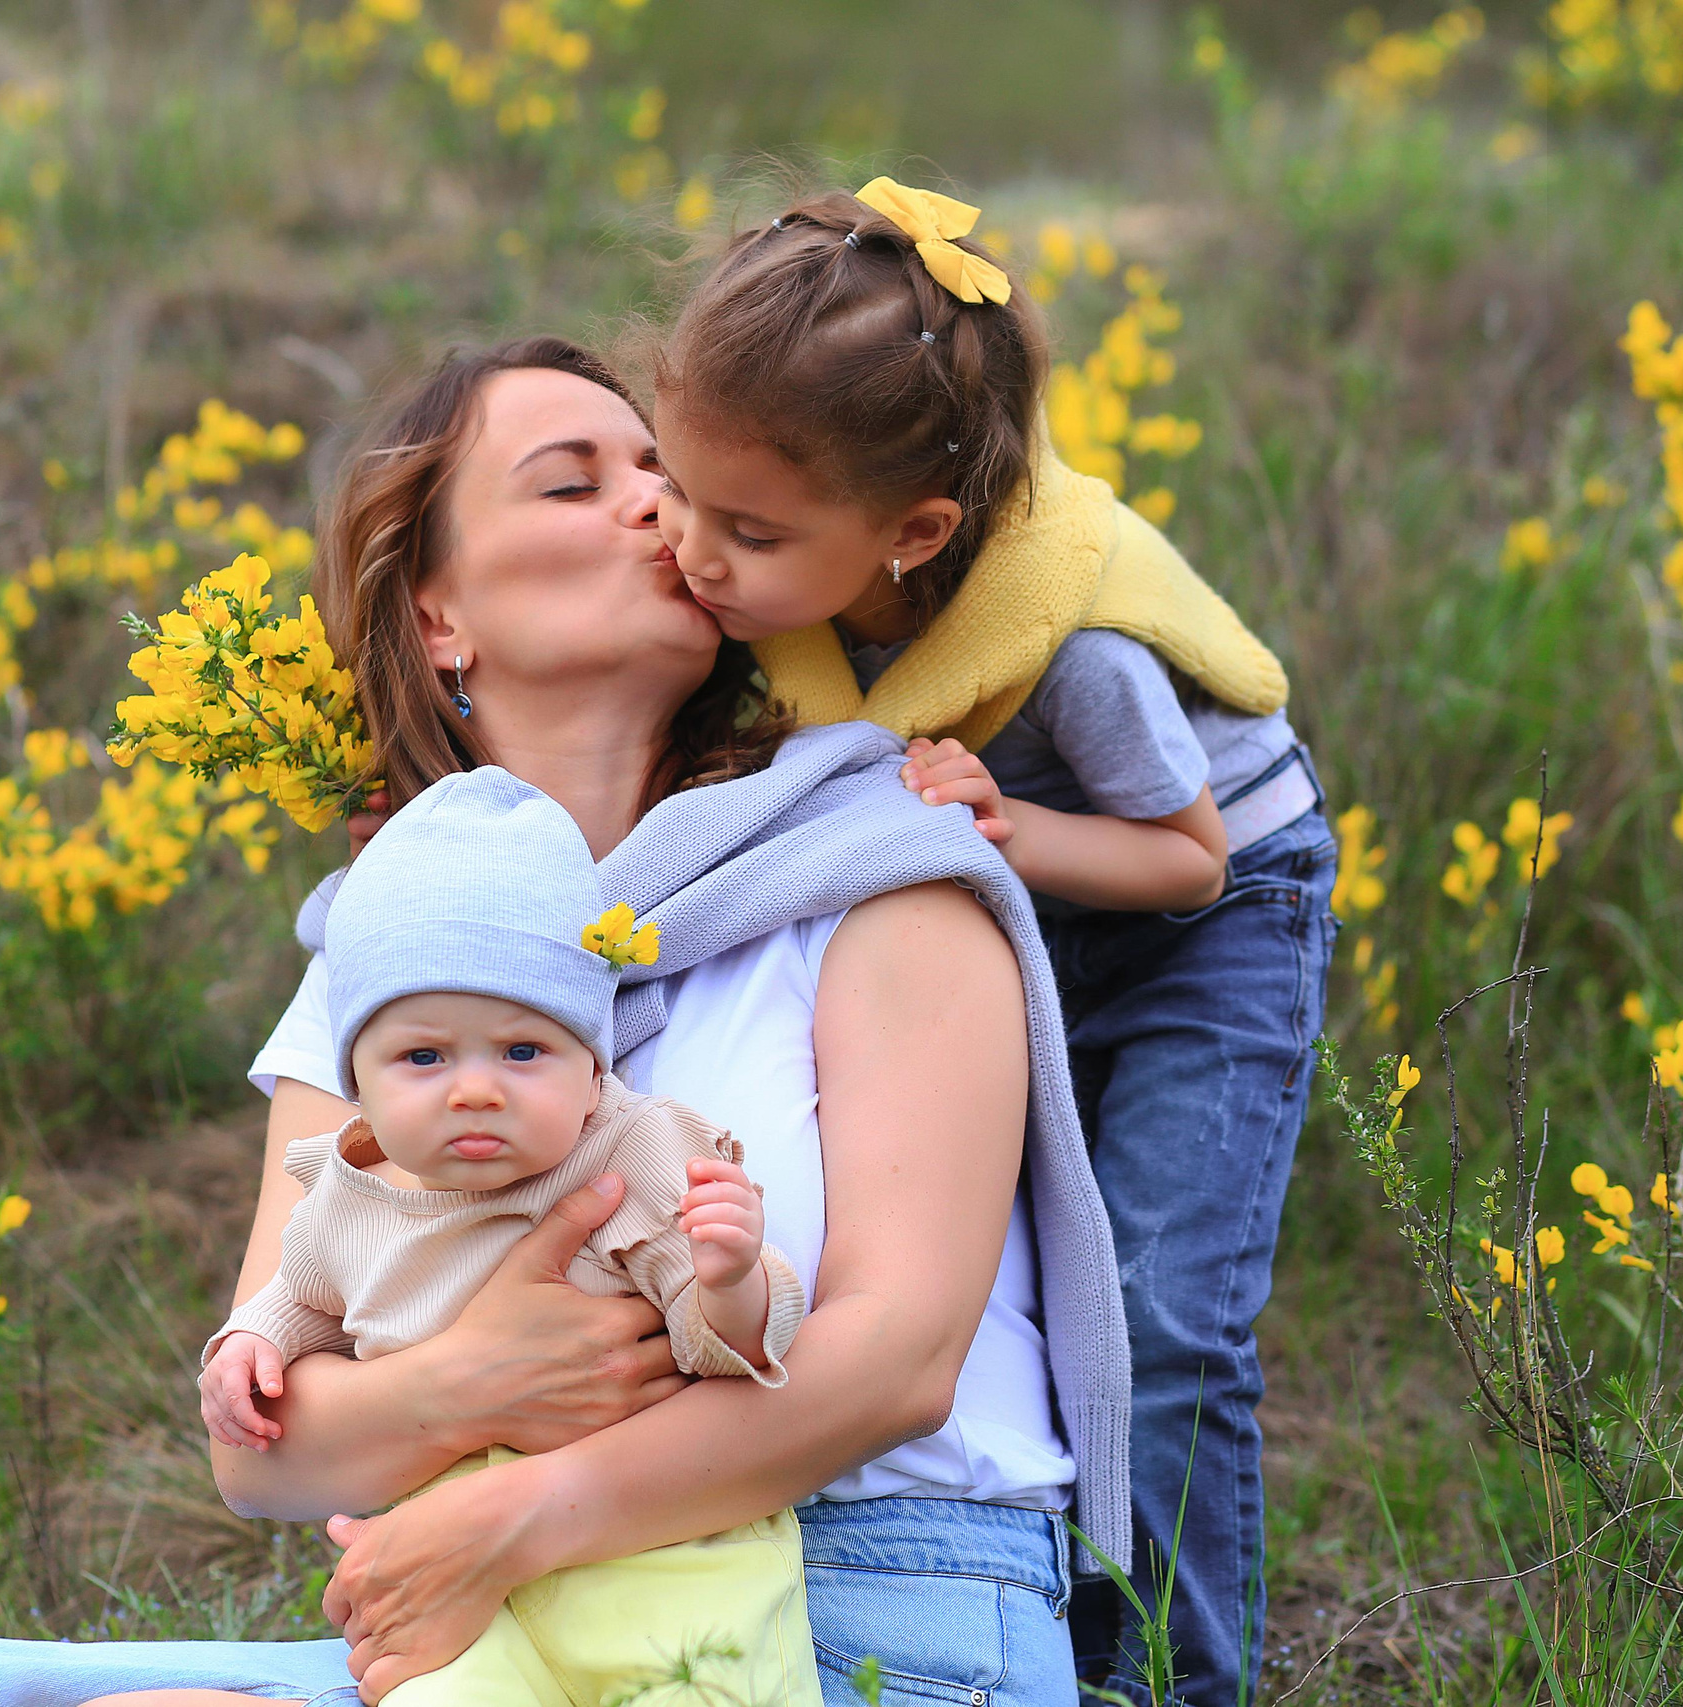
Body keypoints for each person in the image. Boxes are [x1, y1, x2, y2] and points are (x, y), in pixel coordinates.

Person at [0, 335, 1125, 1707]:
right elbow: (267, 1444)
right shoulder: (380, 962)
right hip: (508, 1634)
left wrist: (528, 1504)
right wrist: (479, 1380)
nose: (652, 501)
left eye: (665, 473)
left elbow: (899, 1358)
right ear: (438, 615)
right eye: (572, 483)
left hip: (872, 1608)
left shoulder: (873, 864)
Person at [646, 179, 1337, 1704]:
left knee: (1159, 1315)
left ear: (918, 533)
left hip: (1197, 924)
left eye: (744, 530)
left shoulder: (1073, 640)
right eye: (671, 491)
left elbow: (1190, 858)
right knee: (1033, 1290)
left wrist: (1002, 834)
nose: (692, 553)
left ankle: (1169, 1676)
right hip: (1003, 905)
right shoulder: (797, 563)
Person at [191, 765, 817, 1705]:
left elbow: (721, 1347)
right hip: (450, 1585)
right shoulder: (346, 1196)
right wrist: (249, 1347)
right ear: (355, 1074)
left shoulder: (629, 1154)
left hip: (659, 1554)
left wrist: (728, 1276)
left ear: (592, 1064)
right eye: (423, 1055)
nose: (475, 1087)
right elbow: (300, 1297)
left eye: (524, 1051)